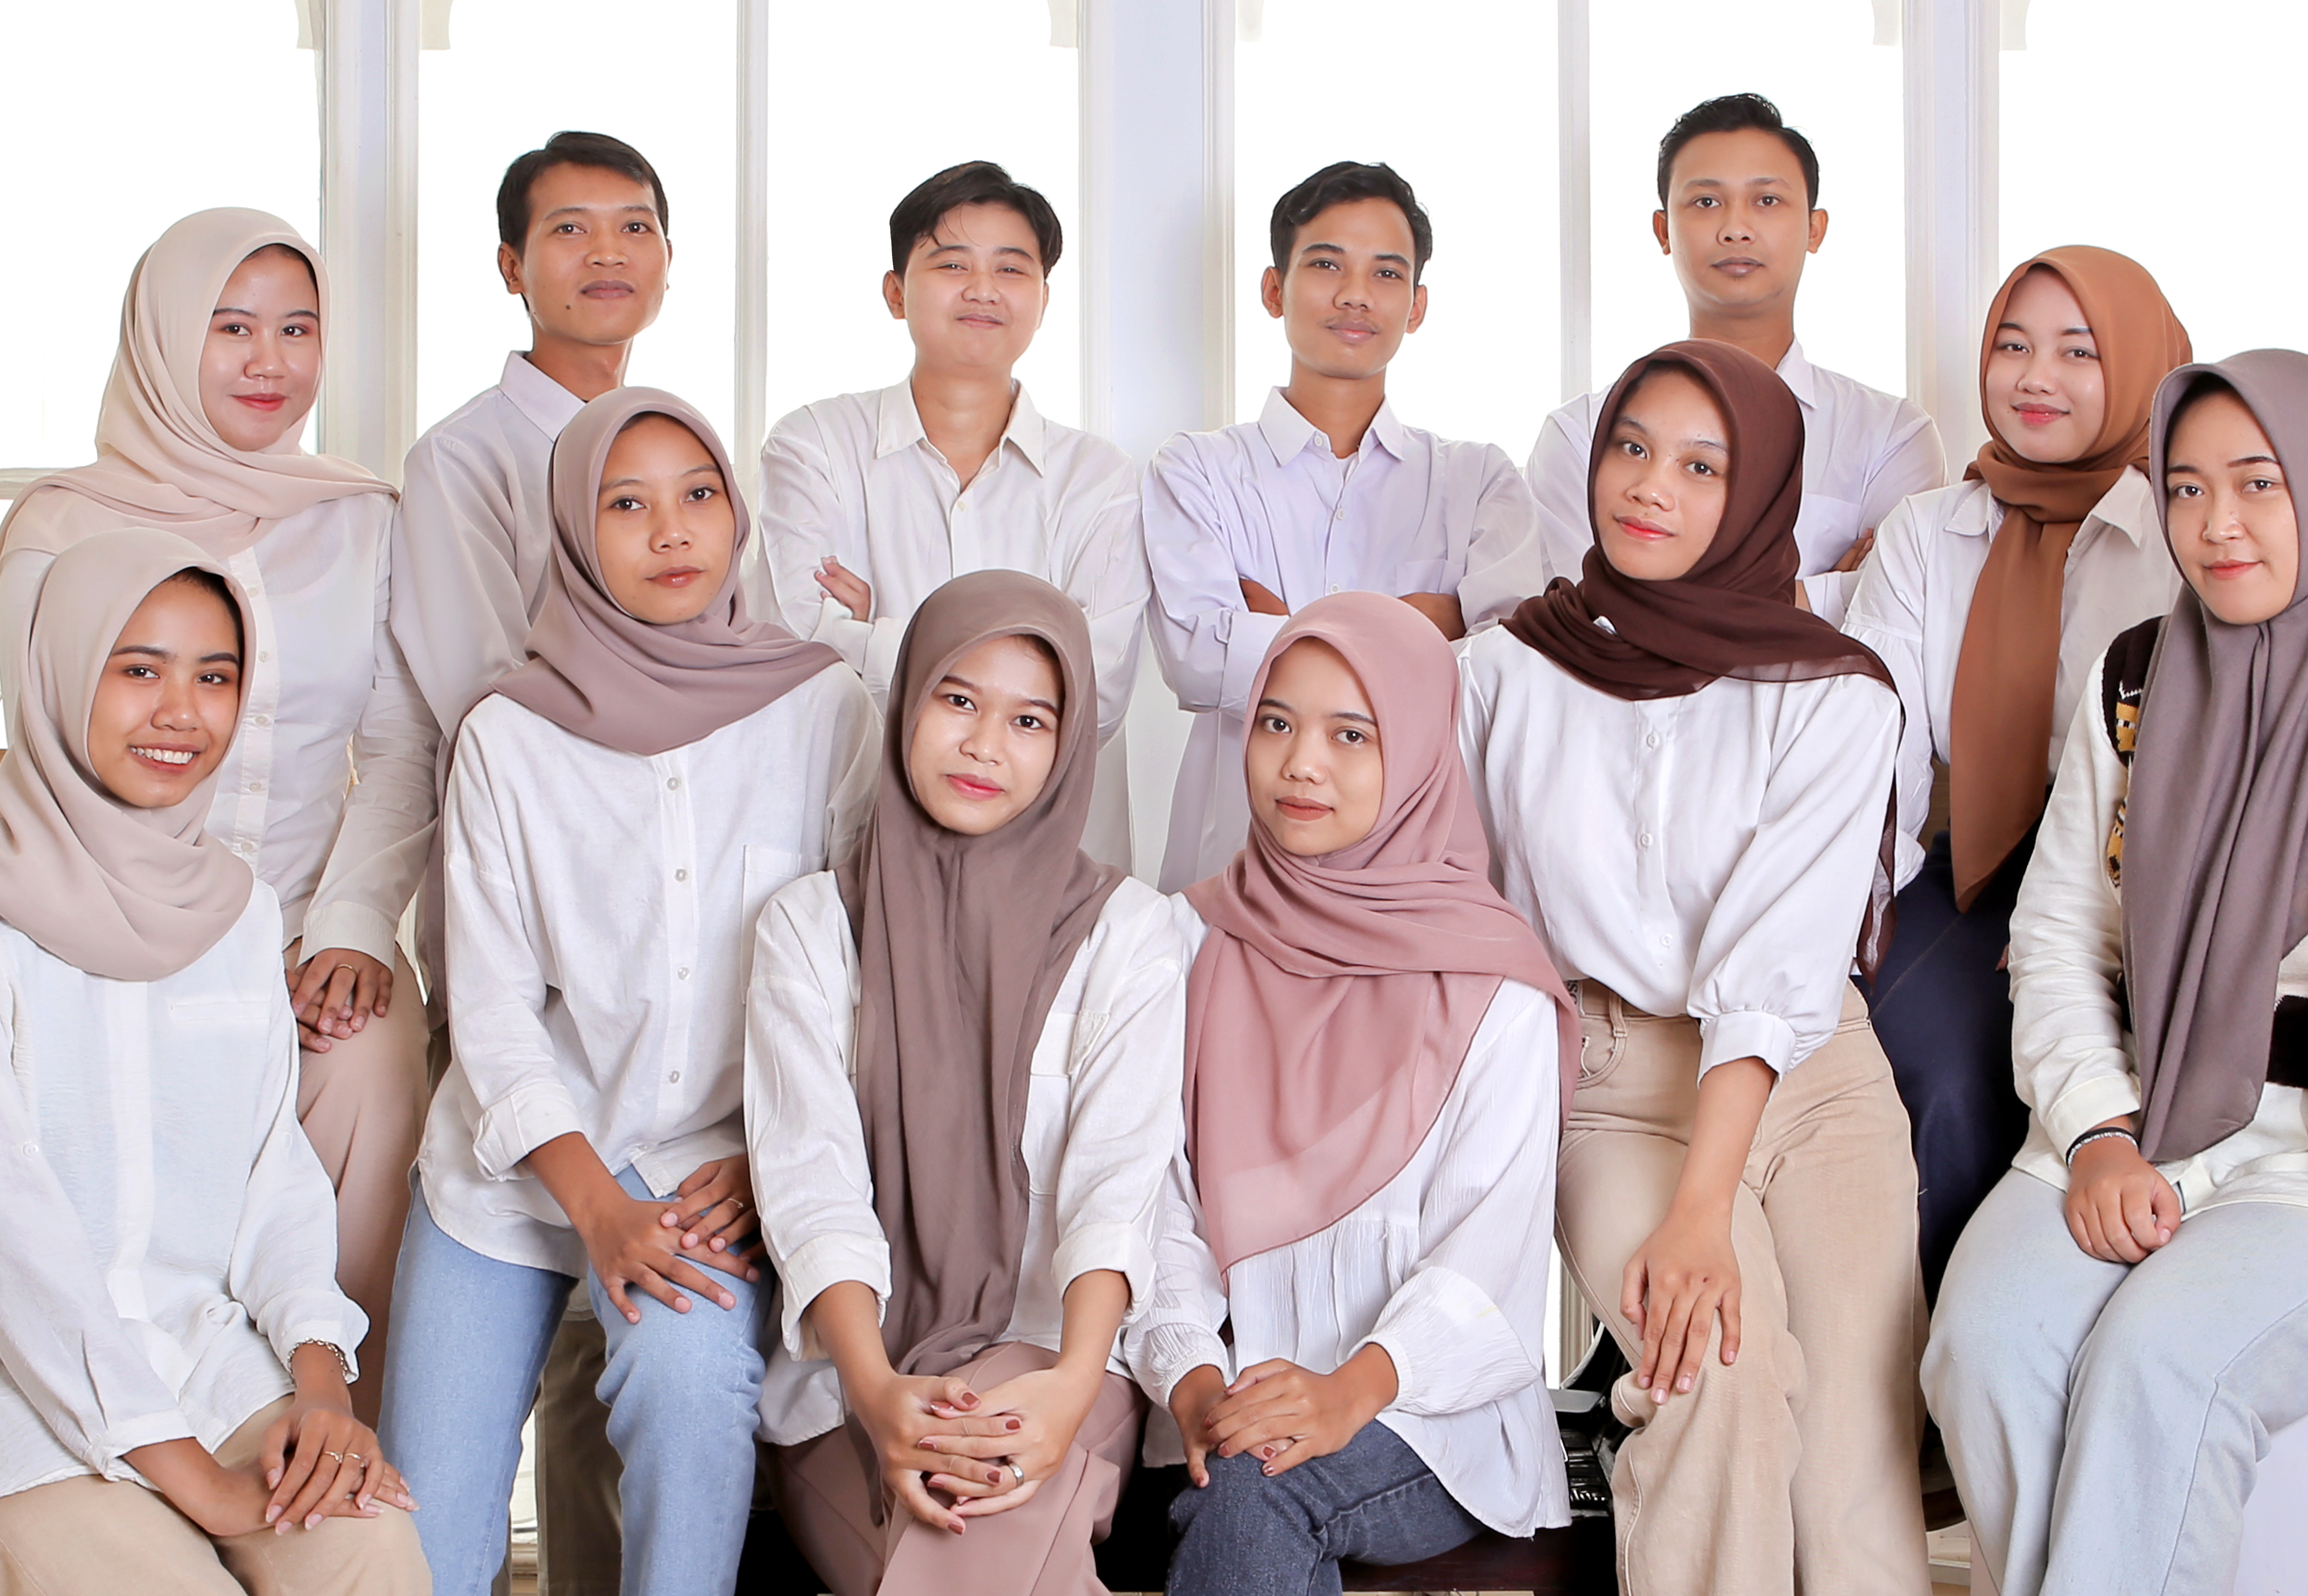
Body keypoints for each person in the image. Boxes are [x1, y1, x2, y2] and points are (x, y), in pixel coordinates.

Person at [1923, 350, 2308, 1596]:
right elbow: (2058, 936)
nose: (2214, 525)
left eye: (2257, 483)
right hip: (2138, 1122)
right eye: (2182, 489)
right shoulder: (2130, 679)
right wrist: (2093, 1132)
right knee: (1980, 1342)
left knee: (2158, 1362)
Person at [0, 528, 424, 1596]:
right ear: (58, 676)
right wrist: (203, 1490)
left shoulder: (237, 909)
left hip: (202, 1361)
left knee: (370, 1543)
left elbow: (269, 1175)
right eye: (138, 669)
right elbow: (11, 1238)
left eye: (216, 676)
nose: (182, 713)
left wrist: (322, 1390)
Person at [381, 390, 876, 1596]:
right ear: (571, 532)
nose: (671, 532)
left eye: (698, 496)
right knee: (422, 1546)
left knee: (688, 1398)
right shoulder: (504, 731)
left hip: (711, 1163)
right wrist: (596, 1209)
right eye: (626, 503)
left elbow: (868, 983)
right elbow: (489, 1006)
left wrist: (775, 1163)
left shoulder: (827, 707)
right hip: (518, 1164)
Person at [1459, 341, 1924, 1596]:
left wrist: (1706, 1204)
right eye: (1629, 447)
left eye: (1700, 465)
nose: (1648, 485)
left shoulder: (1833, 693)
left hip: (1809, 1075)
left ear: (1759, 494)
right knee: (1709, 1377)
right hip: (1611, 1083)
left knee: (1852, 1464)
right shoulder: (1501, 673)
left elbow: (1775, 964)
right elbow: (1448, 898)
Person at [0, 209, 433, 1418]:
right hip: (102, 927)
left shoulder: (363, 519)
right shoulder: (64, 522)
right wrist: (181, 957)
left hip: (302, 933)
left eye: (297, 329)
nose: (268, 362)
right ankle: (135, 1439)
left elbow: (395, 746)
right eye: (231, 329)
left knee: (375, 1055)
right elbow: (55, 758)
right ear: (165, 338)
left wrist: (350, 924)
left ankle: (341, 1437)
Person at [745, 571, 1183, 1596]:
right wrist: (879, 1393)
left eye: (1030, 719)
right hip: (847, 1385)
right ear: (904, 706)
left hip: (1052, 1360)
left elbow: (1117, 1187)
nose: (987, 744)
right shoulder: (809, 930)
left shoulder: (1128, 933)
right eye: (958, 700)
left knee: (971, 1543)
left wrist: (1073, 1386)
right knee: (975, 1558)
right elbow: (812, 1190)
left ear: (1069, 745)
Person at [1137, 593, 1579, 1595]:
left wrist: (1346, 1395)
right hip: (1226, 1409)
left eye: (1352, 734)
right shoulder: (1182, 945)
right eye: (1278, 723)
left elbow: (1490, 1255)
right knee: (1252, 1478)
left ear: (1420, 755)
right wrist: (1194, 1381)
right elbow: (1153, 1205)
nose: (1302, 764)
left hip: (1428, 1425)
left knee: (1259, 1488)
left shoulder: (1493, 986)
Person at [391, 129, 677, 1583]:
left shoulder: (676, 449)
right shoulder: (461, 459)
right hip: (518, 932)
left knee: (606, 1348)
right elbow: (463, 700)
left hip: (656, 962)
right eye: (571, 231)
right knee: (527, 1265)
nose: (607, 255)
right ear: (513, 266)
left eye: (634, 227)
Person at [1841, 247, 2191, 1294]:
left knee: (2042, 1086)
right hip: (1977, 871)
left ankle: (2011, 1376)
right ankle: (1908, 1400)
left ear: (2138, 368)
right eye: (2012, 346)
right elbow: (1875, 755)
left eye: (2078, 353)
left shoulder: (2186, 538)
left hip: (2142, 897)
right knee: (1926, 1065)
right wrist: (1851, 924)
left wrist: (2082, 929)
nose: (2036, 377)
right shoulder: (1927, 534)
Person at [1146, 160, 1544, 889]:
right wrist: (1422, 625)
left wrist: (1283, 630)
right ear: (1275, 289)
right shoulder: (1195, 470)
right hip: (1233, 861)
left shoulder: (1480, 479)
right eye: (1327, 264)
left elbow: (1512, 673)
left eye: (1387, 275)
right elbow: (1201, 659)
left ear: (1418, 305)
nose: (1357, 295)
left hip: (1418, 877)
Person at [755, 160, 1150, 868]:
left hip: (1049, 867)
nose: (983, 290)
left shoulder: (1099, 480)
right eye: (952, 264)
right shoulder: (814, 444)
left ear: (1042, 298)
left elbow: (1100, 698)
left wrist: (882, 632)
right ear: (895, 291)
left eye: (1011, 268)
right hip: (866, 853)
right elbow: (798, 657)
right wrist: (1025, 675)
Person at [1524, 93, 1943, 621]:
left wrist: (1656, 596)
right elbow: (1581, 620)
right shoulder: (1578, 435)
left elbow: (1896, 617)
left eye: (1767, 201)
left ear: (1815, 229)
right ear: (1663, 232)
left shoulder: (1892, 436)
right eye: (1705, 202)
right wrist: (1816, 595)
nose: (1735, 228)